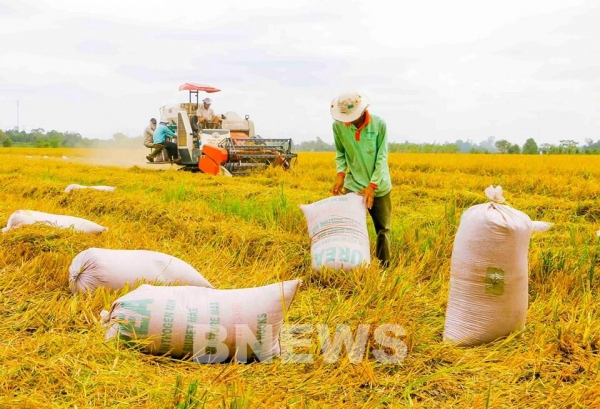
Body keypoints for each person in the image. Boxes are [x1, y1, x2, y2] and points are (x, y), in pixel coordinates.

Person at [330, 91, 392, 267]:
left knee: (383, 229)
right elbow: (340, 153)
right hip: (354, 184)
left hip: (379, 185)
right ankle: (353, 264)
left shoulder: (379, 125)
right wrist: (340, 175)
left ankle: (383, 266)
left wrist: (372, 186)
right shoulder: (339, 126)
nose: (349, 120)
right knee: (353, 227)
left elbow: (381, 158)